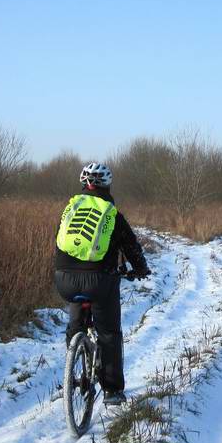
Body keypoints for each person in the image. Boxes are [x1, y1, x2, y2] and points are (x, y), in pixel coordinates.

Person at [53, 162, 150, 406]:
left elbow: (60, 243)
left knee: (76, 323)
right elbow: (131, 246)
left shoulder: (71, 210)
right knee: (108, 333)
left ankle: (73, 368)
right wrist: (140, 269)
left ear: (83, 185)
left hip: (64, 280)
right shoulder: (111, 215)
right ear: (107, 186)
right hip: (99, 281)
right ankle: (112, 391)